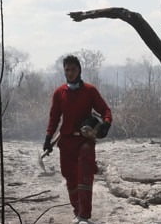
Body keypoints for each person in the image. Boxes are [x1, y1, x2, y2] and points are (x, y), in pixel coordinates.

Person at [44, 55, 112, 224]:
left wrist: (106, 124)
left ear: (79, 70)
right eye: (67, 69)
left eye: (73, 69)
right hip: (66, 142)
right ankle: (77, 211)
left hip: (85, 141)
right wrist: (47, 137)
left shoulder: (90, 91)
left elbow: (105, 110)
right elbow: (54, 118)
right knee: (70, 177)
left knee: (84, 176)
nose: (70, 73)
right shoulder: (59, 93)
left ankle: (84, 215)